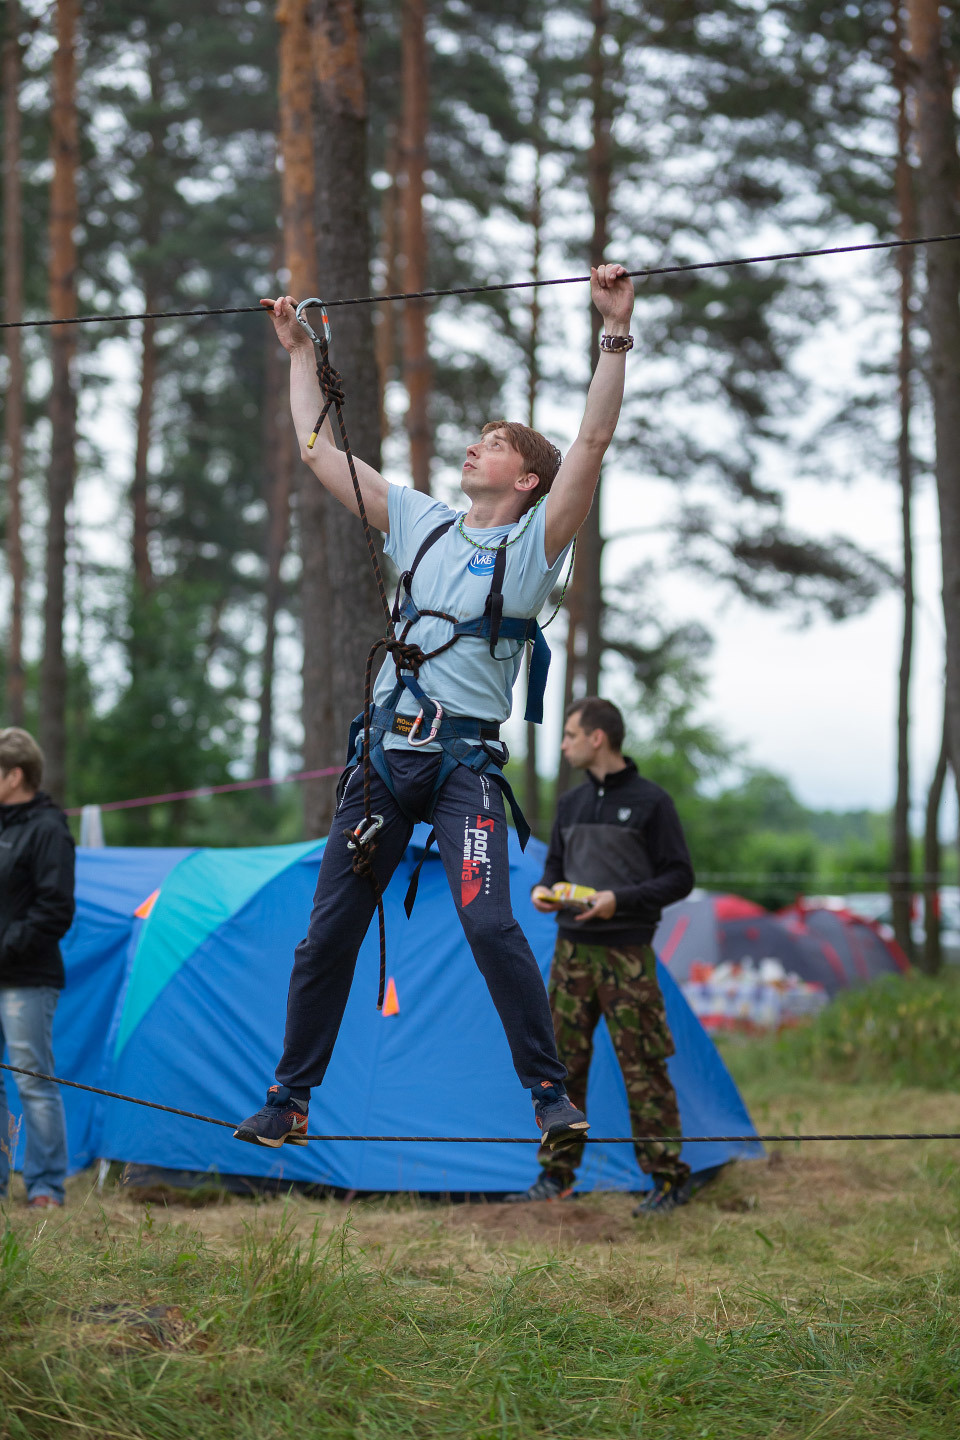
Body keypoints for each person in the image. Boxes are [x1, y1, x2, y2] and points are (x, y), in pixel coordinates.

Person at [234, 263, 636, 1151]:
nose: (475, 446)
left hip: (462, 770)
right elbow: (316, 447)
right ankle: (289, 1100)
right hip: (381, 761)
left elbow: (594, 443)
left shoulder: (533, 548)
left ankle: (548, 1096)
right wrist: (298, 353)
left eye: (496, 442)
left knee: (490, 920)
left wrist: (614, 332)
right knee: (324, 936)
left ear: (529, 479)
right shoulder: (420, 520)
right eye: (480, 436)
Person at [507, 697, 697, 1214]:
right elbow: (554, 871)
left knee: (644, 1068)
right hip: (571, 958)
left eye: (570, 735)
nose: (563, 743)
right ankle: (557, 1176)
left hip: (627, 957)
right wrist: (545, 892)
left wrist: (620, 901)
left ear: (598, 738)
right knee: (559, 1075)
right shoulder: (569, 805)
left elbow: (681, 876)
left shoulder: (652, 802)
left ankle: (668, 1178)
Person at [0, 728, 75, 1208]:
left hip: (27, 979)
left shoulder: (48, 828)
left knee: (32, 1080)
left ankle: (46, 1185)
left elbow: (55, 910)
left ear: (14, 775)